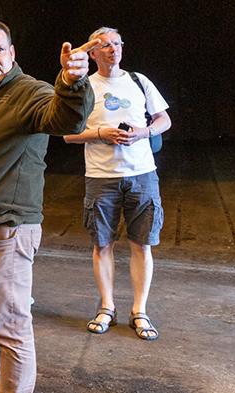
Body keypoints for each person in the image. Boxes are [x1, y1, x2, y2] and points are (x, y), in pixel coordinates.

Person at [0, 19, 98, 392]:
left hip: (2, 233)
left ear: (12, 53)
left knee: (10, 330)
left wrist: (72, 84)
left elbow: (63, 116)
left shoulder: (30, 93)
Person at [63, 27, 170, 341]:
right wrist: (101, 134)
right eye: (104, 45)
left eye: (116, 43)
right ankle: (107, 307)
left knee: (142, 244)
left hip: (142, 173)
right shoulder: (84, 86)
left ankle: (139, 310)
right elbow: (67, 133)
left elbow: (164, 119)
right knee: (102, 245)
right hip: (101, 176)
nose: (112, 49)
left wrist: (143, 131)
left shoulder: (139, 81)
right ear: (93, 53)